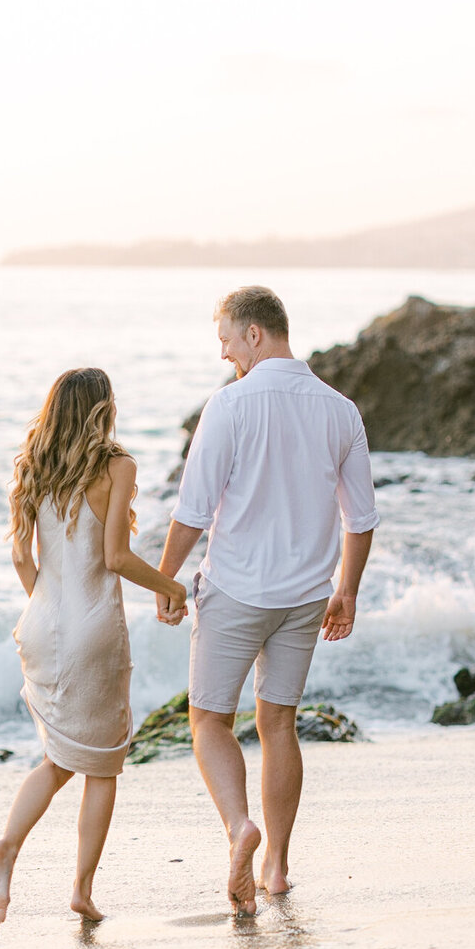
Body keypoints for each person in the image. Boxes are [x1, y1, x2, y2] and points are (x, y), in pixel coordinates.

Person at [155, 286, 378, 915]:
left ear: (256, 333)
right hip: (307, 595)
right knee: (278, 722)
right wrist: (347, 592)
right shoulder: (342, 410)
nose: (224, 353)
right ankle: (277, 867)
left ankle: (238, 830)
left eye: (226, 339)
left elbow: (193, 511)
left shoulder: (228, 406)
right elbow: (360, 519)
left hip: (235, 590)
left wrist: (169, 582)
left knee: (209, 721)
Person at [0, 367, 187, 940]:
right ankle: (81, 890)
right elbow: (116, 558)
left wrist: (49, 608)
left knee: (56, 758)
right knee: (103, 768)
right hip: (93, 631)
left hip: (42, 624)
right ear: (104, 409)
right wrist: (172, 587)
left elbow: (24, 561)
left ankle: (6, 845)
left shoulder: (31, 469)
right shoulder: (117, 467)